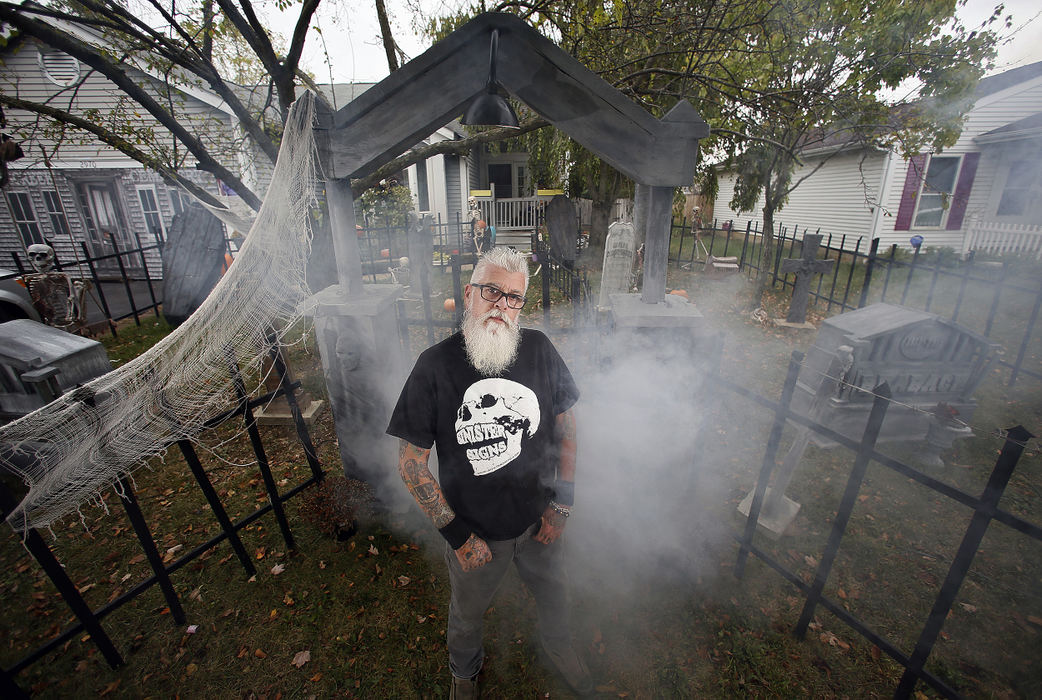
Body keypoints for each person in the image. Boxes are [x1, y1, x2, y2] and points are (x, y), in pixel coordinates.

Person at [386, 246, 591, 698]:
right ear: (469, 293)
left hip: (541, 518)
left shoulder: (538, 348)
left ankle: (559, 647)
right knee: (466, 616)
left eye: (513, 297)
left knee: (555, 594)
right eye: (491, 291)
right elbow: (410, 463)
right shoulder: (434, 366)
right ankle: (464, 674)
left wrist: (563, 501)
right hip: (476, 534)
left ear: (522, 304)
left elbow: (566, 423)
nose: (501, 306)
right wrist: (458, 535)